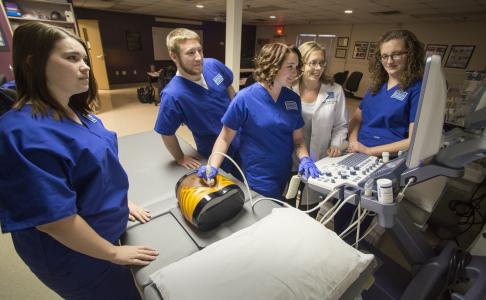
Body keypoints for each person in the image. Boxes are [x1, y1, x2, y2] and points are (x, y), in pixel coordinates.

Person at [0, 22, 158, 299]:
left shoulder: (78, 112)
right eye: (72, 58)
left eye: (84, 58)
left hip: (105, 228)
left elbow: (95, 167)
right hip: (75, 256)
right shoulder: (21, 133)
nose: (85, 66)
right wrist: (112, 253)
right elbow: (53, 221)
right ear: (34, 63)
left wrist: (120, 201)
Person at [197, 43, 320, 200]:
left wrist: (305, 158)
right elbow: (224, 137)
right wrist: (212, 166)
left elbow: (298, 138)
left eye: (297, 66)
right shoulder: (244, 98)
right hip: (257, 175)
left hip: (284, 171)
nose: (295, 73)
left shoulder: (292, 99)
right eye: (290, 66)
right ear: (272, 66)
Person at [154, 28, 238, 172]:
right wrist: (180, 157)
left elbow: (229, 87)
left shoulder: (213, 65)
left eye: (199, 50)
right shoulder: (173, 95)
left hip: (240, 135)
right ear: (174, 56)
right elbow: (166, 131)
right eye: (190, 53)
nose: (199, 57)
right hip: (214, 149)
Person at [290, 41, 348, 211]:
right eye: (313, 63)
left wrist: (337, 144)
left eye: (321, 63)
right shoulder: (288, 87)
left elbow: (341, 124)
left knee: (310, 207)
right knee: (287, 203)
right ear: (301, 64)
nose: (318, 68)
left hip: (318, 158)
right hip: (289, 156)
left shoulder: (335, 90)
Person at [348, 29, 425, 156]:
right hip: (357, 150)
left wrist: (369, 151)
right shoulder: (376, 86)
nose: (389, 61)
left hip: (385, 157)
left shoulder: (417, 89)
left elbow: (413, 141)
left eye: (396, 54)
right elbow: (356, 120)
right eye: (385, 56)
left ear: (411, 55)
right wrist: (353, 142)